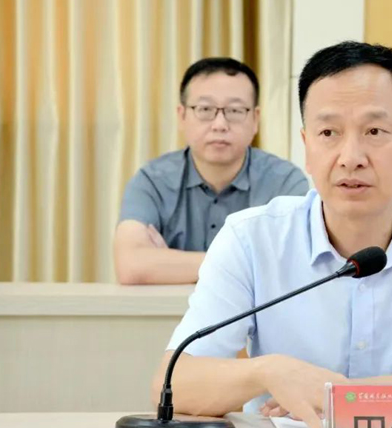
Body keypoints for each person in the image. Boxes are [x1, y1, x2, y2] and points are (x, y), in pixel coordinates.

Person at [152, 42, 392, 428]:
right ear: (307, 147)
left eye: (374, 131)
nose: (351, 157)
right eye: (329, 132)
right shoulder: (251, 239)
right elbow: (174, 382)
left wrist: (356, 397)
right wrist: (270, 372)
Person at [115, 58, 308, 285]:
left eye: (235, 110)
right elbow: (132, 265)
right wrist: (250, 261)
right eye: (205, 109)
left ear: (255, 119)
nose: (219, 125)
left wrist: (168, 262)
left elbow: (291, 266)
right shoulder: (152, 182)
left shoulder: (285, 183)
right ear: (182, 116)